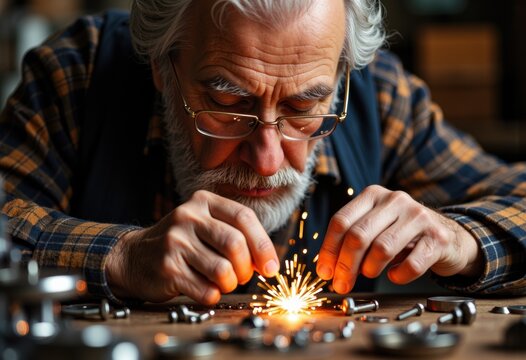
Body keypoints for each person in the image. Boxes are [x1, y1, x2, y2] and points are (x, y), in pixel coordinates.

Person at [0, 0, 525, 306]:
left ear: (341, 76)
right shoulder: (81, 76)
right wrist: (120, 258)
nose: (269, 158)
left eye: (303, 108)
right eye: (228, 103)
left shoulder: (379, 98)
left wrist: (461, 239)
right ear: (164, 67)